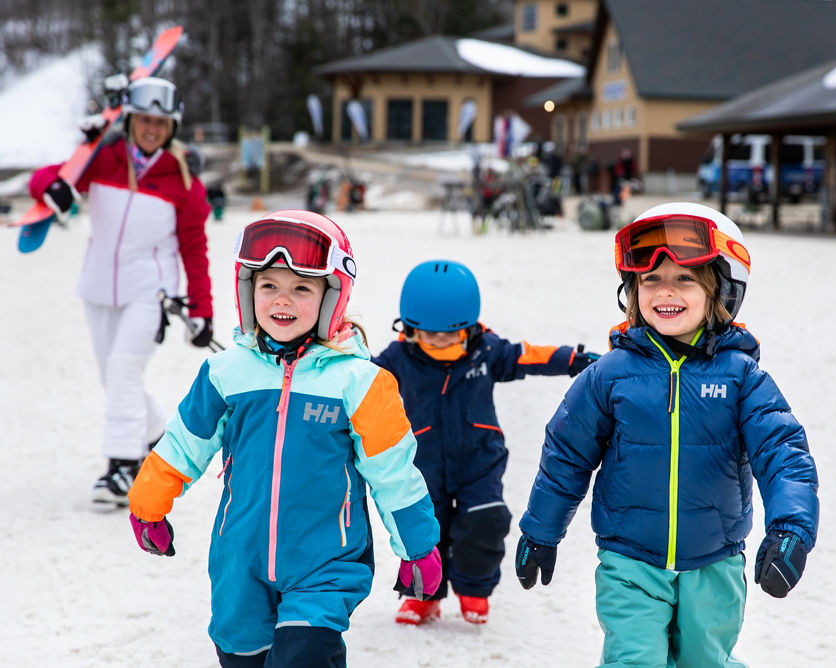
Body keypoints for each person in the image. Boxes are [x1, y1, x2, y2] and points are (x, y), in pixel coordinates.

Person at [127, 210, 442, 667]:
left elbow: (393, 472)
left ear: (331, 296)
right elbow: (183, 444)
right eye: (269, 285)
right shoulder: (225, 373)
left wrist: (417, 546)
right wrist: (147, 504)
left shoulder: (361, 383)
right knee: (240, 654)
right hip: (241, 562)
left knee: (303, 657)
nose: (283, 299)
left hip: (325, 563)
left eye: (302, 288)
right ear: (247, 292)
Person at [515, 202, 819, 667]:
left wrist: (790, 529)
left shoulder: (742, 377)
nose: (664, 291)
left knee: (706, 661)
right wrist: (541, 531)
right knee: (633, 659)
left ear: (723, 290)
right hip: (629, 561)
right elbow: (566, 456)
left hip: (714, 560)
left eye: (684, 278)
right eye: (650, 280)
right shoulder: (609, 375)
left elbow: (783, 454)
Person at [372, 260, 600, 626]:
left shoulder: (486, 350)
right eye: (429, 334)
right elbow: (362, 379)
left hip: (480, 461)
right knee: (422, 530)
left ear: (470, 326)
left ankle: (474, 590)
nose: (439, 341)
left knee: (485, 522)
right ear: (410, 326)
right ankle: (421, 596)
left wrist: (574, 359)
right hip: (423, 463)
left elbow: (528, 355)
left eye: (450, 334)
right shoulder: (398, 358)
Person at [28, 76, 215, 507]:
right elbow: (48, 177)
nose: (152, 129)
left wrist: (203, 311)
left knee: (124, 371)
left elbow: (195, 251)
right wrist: (51, 190)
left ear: (172, 127)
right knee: (112, 377)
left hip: (151, 292)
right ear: (130, 120)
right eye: (144, 120)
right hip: (97, 286)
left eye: (160, 123)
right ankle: (155, 436)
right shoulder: (103, 158)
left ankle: (123, 466)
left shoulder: (184, 182)